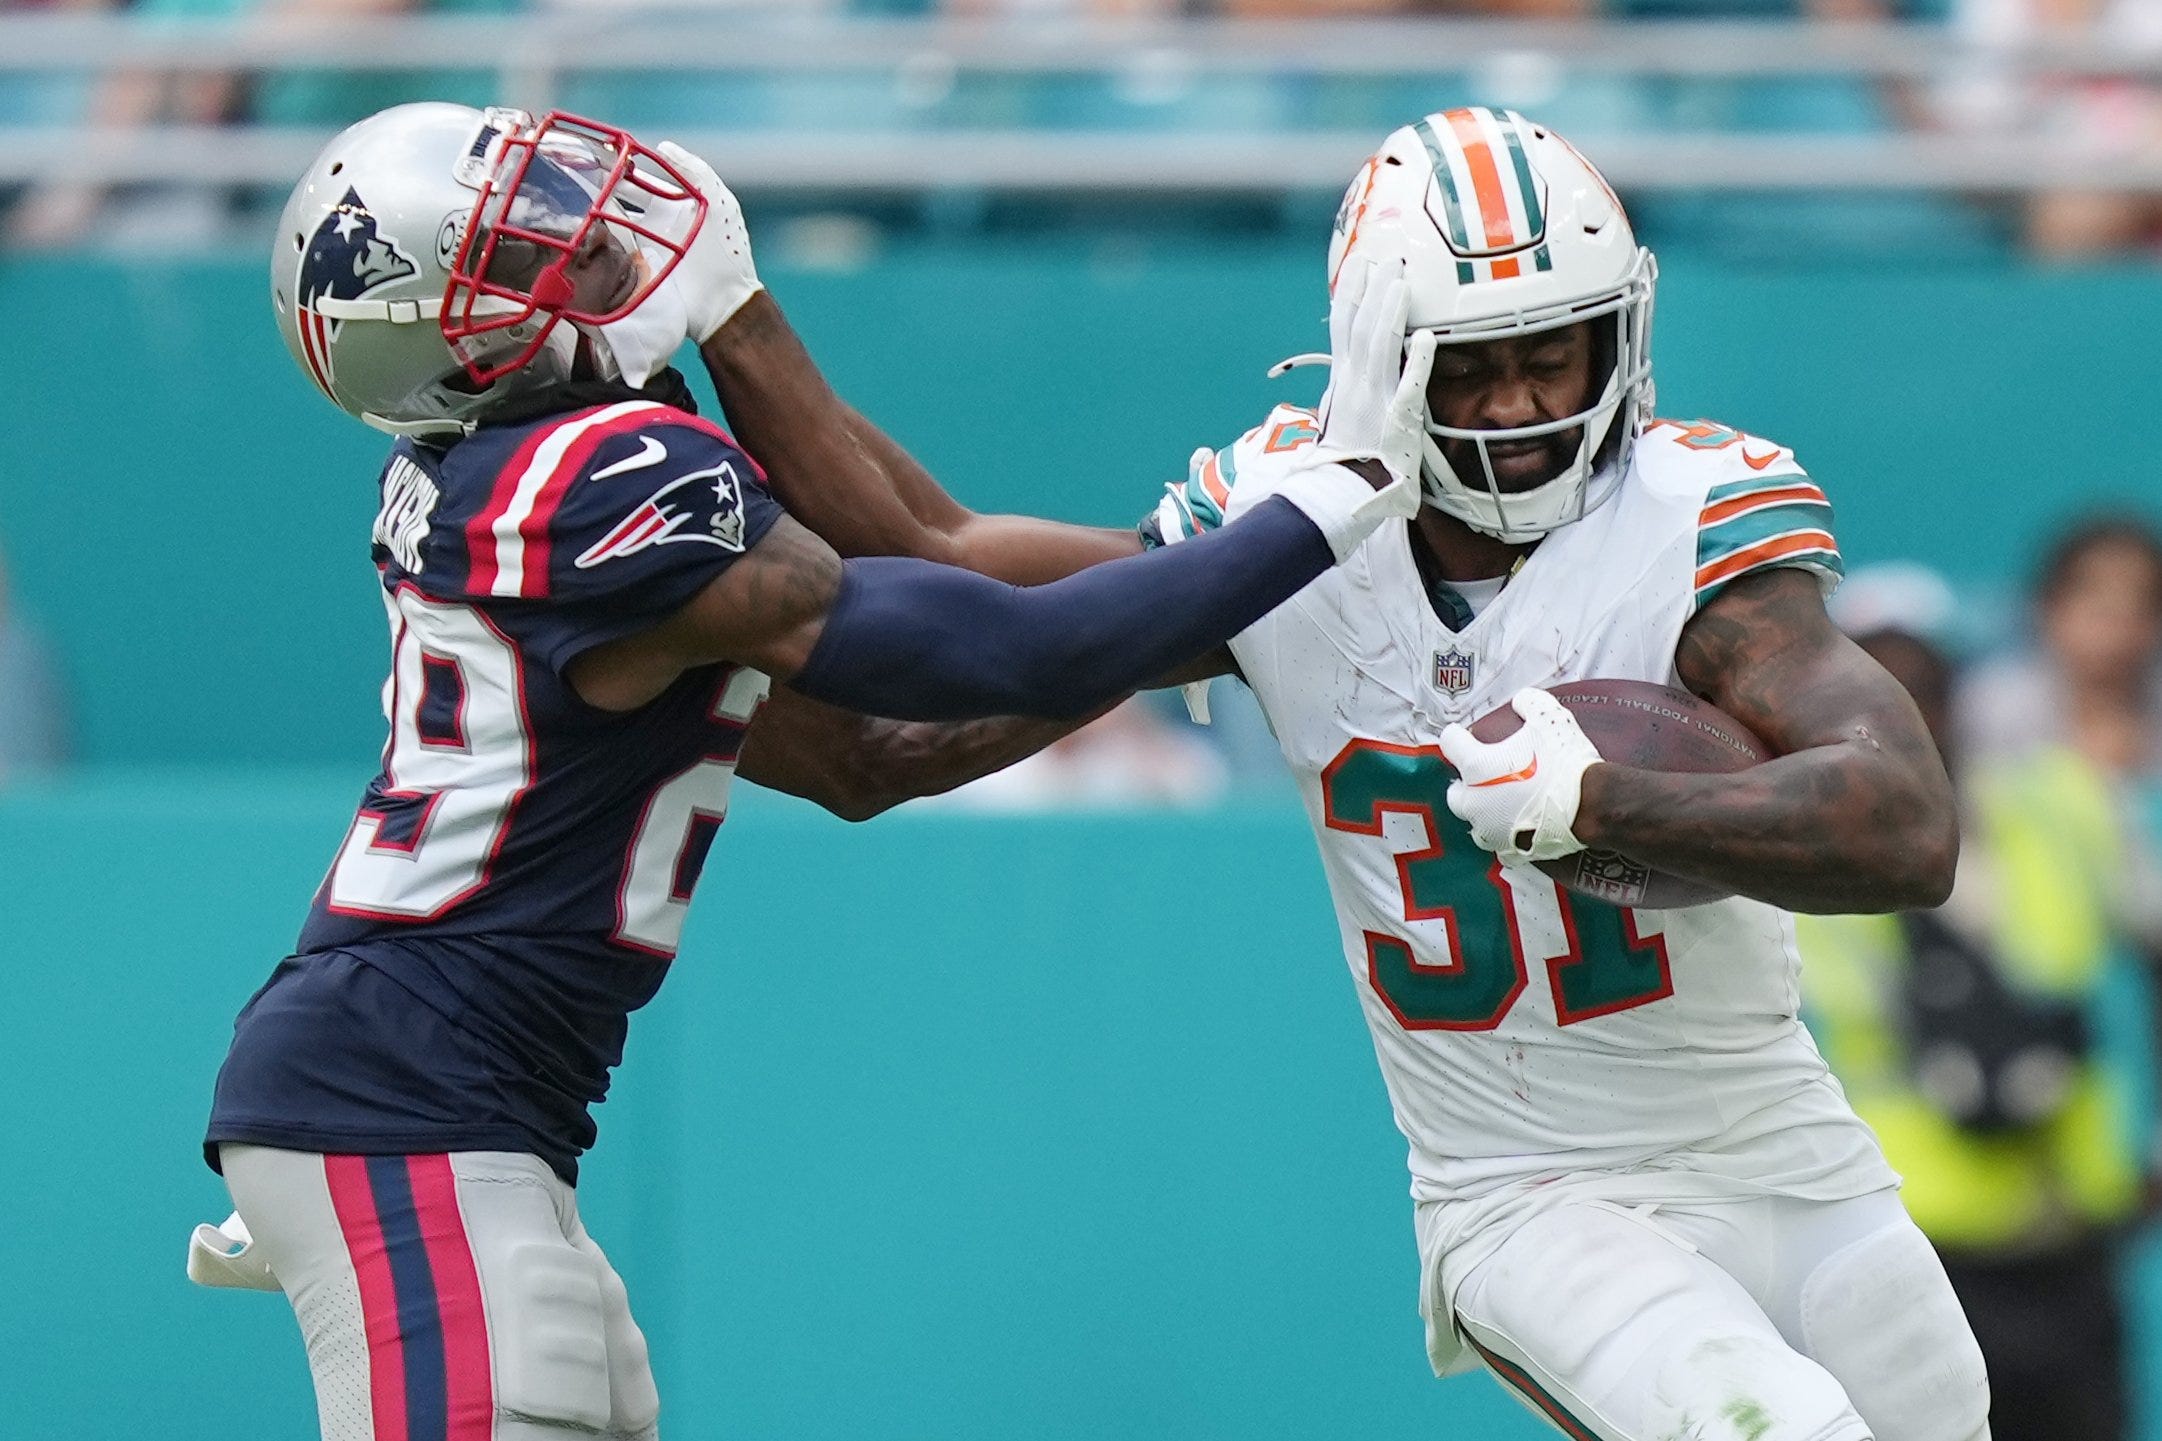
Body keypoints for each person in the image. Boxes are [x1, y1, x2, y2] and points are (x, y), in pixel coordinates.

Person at [685, 107, 1990, 1439]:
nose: (1528, 406)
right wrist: (727, 312)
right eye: (1477, 369)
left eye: (1557, 354)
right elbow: (929, 584)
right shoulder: (1286, 532)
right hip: (1528, 1192)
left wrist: (1594, 802)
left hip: (1785, 1151)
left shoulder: (1691, 521)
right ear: (1381, 361)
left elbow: (1903, 824)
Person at [196, 101, 1428, 1441]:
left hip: (450, 1103)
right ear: (460, 341)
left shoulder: (549, 476)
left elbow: (864, 752)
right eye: (526, 245)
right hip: (407, 1105)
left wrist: (1185, 579)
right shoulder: (593, 485)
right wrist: (1318, 510)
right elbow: (997, 643)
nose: (590, 231)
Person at [1799, 565, 2162, 1441]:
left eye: (1921, 683)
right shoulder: (1789, 850)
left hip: (2068, 1228)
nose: (1901, 712)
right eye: (1874, 686)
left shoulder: (2057, 802)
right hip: (1904, 1249)